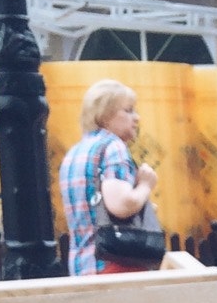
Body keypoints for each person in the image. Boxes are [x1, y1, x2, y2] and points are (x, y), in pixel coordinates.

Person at [58, 78, 159, 276]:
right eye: (128, 110)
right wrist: (145, 186)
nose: (136, 118)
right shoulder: (113, 147)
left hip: (82, 266)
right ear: (104, 115)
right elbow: (122, 205)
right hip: (115, 266)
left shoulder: (75, 153)